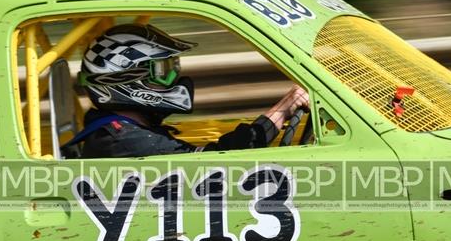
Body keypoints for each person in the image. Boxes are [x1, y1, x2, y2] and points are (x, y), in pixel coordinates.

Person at [63, 23, 309, 158]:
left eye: (174, 67)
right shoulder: (125, 141)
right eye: (163, 71)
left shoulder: (125, 134)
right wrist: (282, 110)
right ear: (125, 78)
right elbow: (218, 160)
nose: (175, 79)